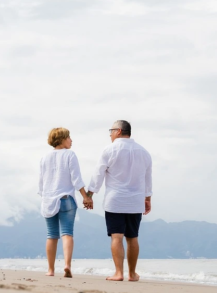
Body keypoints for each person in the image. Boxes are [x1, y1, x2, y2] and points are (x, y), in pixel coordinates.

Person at [87, 120, 152, 282]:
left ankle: (118, 273)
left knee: (117, 237)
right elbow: (147, 178)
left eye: (111, 130)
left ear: (118, 131)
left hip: (115, 201)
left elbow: (98, 175)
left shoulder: (109, 150)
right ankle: (132, 274)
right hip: (135, 201)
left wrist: (89, 195)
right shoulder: (144, 152)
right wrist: (148, 198)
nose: (109, 134)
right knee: (133, 237)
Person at [39, 128, 93, 277]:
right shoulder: (70, 155)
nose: (71, 140)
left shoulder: (44, 157)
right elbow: (77, 179)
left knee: (51, 235)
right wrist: (86, 197)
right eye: (69, 137)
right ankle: (67, 265)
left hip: (48, 199)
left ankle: (50, 270)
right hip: (66, 199)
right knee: (67, 234)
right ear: (61, 139)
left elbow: (41, 183)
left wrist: (45, 197)